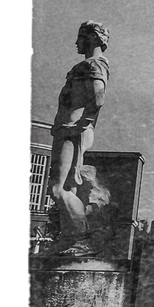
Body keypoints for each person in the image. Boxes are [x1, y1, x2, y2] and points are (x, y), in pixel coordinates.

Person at [48, 20, 111, 255]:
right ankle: (69, 237)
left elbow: (97, 97)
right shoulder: (87, 64)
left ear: (93, 38)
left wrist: (81, 124)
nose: (77, 42)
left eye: (81, 37)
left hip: (72, 131)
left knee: (59, 188)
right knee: (65, 188)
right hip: (67, 130)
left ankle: (82, 238)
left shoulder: (93, 64)